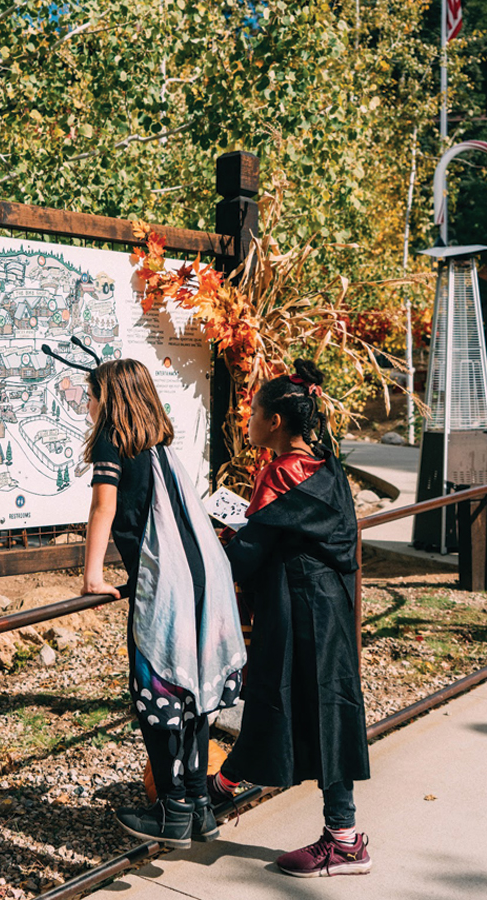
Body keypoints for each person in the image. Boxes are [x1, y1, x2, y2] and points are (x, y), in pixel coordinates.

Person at [212, 358, 372, 877]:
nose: (248, 421)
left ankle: (345, 840)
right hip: (328, 607)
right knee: (312, 703)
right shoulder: (325, 465)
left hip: (300, 609)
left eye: (254, 413)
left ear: (275, 422)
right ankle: (222, 787)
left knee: (290, 699)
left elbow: (250, 553)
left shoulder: (282, 473)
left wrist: (209, 550)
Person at [78, 357, 246, 848]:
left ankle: (171, 810)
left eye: (91, 396)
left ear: (109, 399)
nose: (87, 405)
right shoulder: (159, 446)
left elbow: (103, 505)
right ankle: (198, 805)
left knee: (159, 693)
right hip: (204, 583)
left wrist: (91, 576)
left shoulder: (112, 441)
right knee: (193, 693)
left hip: (166, 588)